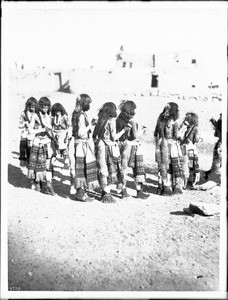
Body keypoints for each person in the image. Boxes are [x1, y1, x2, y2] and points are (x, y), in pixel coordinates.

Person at [92, 102, 129, 203]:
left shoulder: (100, 119)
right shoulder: (111, 121)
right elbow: (113, 138)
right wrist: (123, 131)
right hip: (110, 148)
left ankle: (105, 192)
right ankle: (109, 194)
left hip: (100, 146)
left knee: (103, 169)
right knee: (114, 169)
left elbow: (95, 135)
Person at [116, 100, 149, 199]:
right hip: (133, 146)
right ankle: (139, 192)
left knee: (122, 170)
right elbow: (134, 136)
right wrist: (142, 132)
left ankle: (124, 191)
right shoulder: (132, 121)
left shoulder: (119, 119)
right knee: (138, 171)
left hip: (122, 146)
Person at [68, 94, 99, 201]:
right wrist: (91, 124)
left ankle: (81, 193)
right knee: (82, 168)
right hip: (81, 145)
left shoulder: (76, 113)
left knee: (79, 168)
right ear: (84, 103)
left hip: (77, 144)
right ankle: (81, 194)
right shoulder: (81, 115)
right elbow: (81, 133)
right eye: (89, 103)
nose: (89, 105)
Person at [27, 97, 57, 195]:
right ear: (40, 106)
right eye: (43, 107)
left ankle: (48, 186)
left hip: (47, 142)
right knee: (37, 165)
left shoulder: (49, 116)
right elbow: (30, 130)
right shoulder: (36, 116)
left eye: (47, 107)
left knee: (48, 165)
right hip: (38, 142)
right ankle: (37, 183)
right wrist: (41, 130)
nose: (45, 109)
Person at [154, 102, 183, 195]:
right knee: (171, 166)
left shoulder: (159, 120)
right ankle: (172, 187)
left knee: (162, 166)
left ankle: (163, 187)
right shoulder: (174, 122)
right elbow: (175, 136)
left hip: (160, 144)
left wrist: (159, 144)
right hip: (171, 146)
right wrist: (181, 133)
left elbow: (155, 134)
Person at [179, 112, 201, 189]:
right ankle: (190, 183)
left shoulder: (184, 127)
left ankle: (184, 183)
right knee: (191, 166)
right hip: (191, 149)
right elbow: (196, 139)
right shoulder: (195, 128)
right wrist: (200, 139)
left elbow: (180, 137)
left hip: (183, 148)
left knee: (184, 165)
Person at [18, 97, 40, 167]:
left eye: (33, 106)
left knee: (34, 153)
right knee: (23, 141)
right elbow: (20, 125)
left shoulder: (38, 114)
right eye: (30, 106)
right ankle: (23, 158)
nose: (32, 108)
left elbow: (41, 124)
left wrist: (36, 125)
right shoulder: (23, 113)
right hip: (27, 134)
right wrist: (24, 123)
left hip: (35, 134)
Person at [51, 102, 70, 167]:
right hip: (56, 133)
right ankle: (56, 158)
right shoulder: (53, 118)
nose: (58, 112)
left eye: (59, 111)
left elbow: (68, 126)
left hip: (63, 133)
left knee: (64, 147)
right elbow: (51, 126)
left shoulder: (64, 117)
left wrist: (67, 136)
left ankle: (66, 159)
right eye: (56, 111)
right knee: (57, 146)